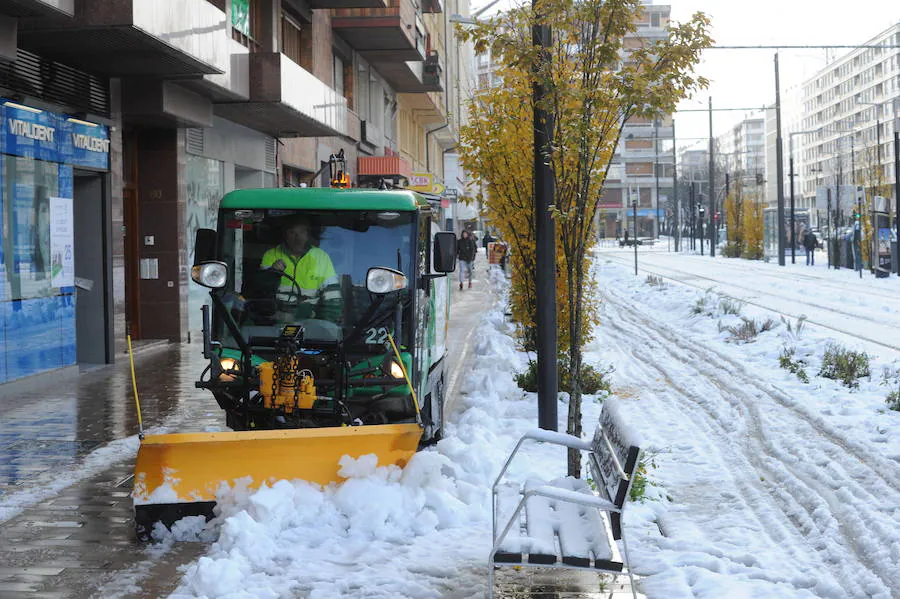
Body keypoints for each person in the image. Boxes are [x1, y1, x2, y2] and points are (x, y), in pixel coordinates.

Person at [260, 216, 341, 321]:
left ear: (308, 235)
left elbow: (333, 298)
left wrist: (325, 325)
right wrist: (273, 274)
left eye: (302, 232)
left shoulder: (321, 257)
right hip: (276, 320)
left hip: (310, 322)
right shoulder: (271, 255)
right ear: (285, 235)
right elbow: (261, 292)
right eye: (292, 232)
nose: (297, 238)